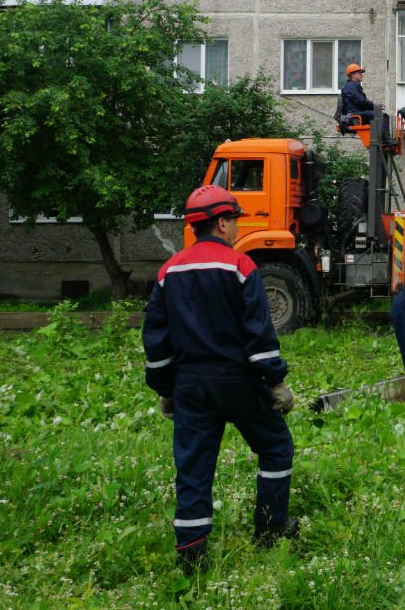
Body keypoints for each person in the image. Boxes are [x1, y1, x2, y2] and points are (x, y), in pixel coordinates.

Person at [142, 184, 298, 573]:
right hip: (240, 381)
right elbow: (259, 335)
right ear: (223, 222)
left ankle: (192, 553)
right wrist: (275, 381)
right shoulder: (240, 266)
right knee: (275, 447)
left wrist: (165, 390)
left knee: (193, 466)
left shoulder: (169, 270)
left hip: (190, 385)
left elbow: (156, 339)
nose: (236, 227)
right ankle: (270, 529)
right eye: (235, 220)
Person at [338, 63, 376, 127]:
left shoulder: (353, 86)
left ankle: (378, 135)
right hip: (354, 113)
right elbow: (361, 101)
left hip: (357, 111)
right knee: (381, 115)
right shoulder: (351, 87)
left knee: (377, 113)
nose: (362, 75)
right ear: (353, 74)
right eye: (360, 73)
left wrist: (375, 106)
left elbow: (362, 102)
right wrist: (374, 106)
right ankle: (383, 136)